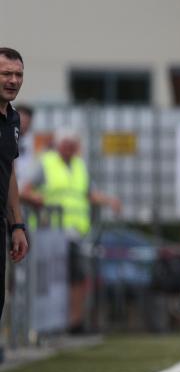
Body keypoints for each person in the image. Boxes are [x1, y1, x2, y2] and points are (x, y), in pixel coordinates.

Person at [22, 126, 121, 330]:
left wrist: (109, 200)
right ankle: (44, 323)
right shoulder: (46, 164)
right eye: (65, 144)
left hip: (75, 233)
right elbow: (25, 189)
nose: (68, 148)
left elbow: (89, 193)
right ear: (58, 145)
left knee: (76, 276)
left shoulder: (79, 166)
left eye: (71, 145)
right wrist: (35, 199)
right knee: (51, 279)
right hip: (49, 232)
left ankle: (74, 322)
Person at [0, 47, 32, 372]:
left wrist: (17, 224)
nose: (12, 81)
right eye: (6, 74)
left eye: (17, 75)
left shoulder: (12, 119)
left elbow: (9, 173)